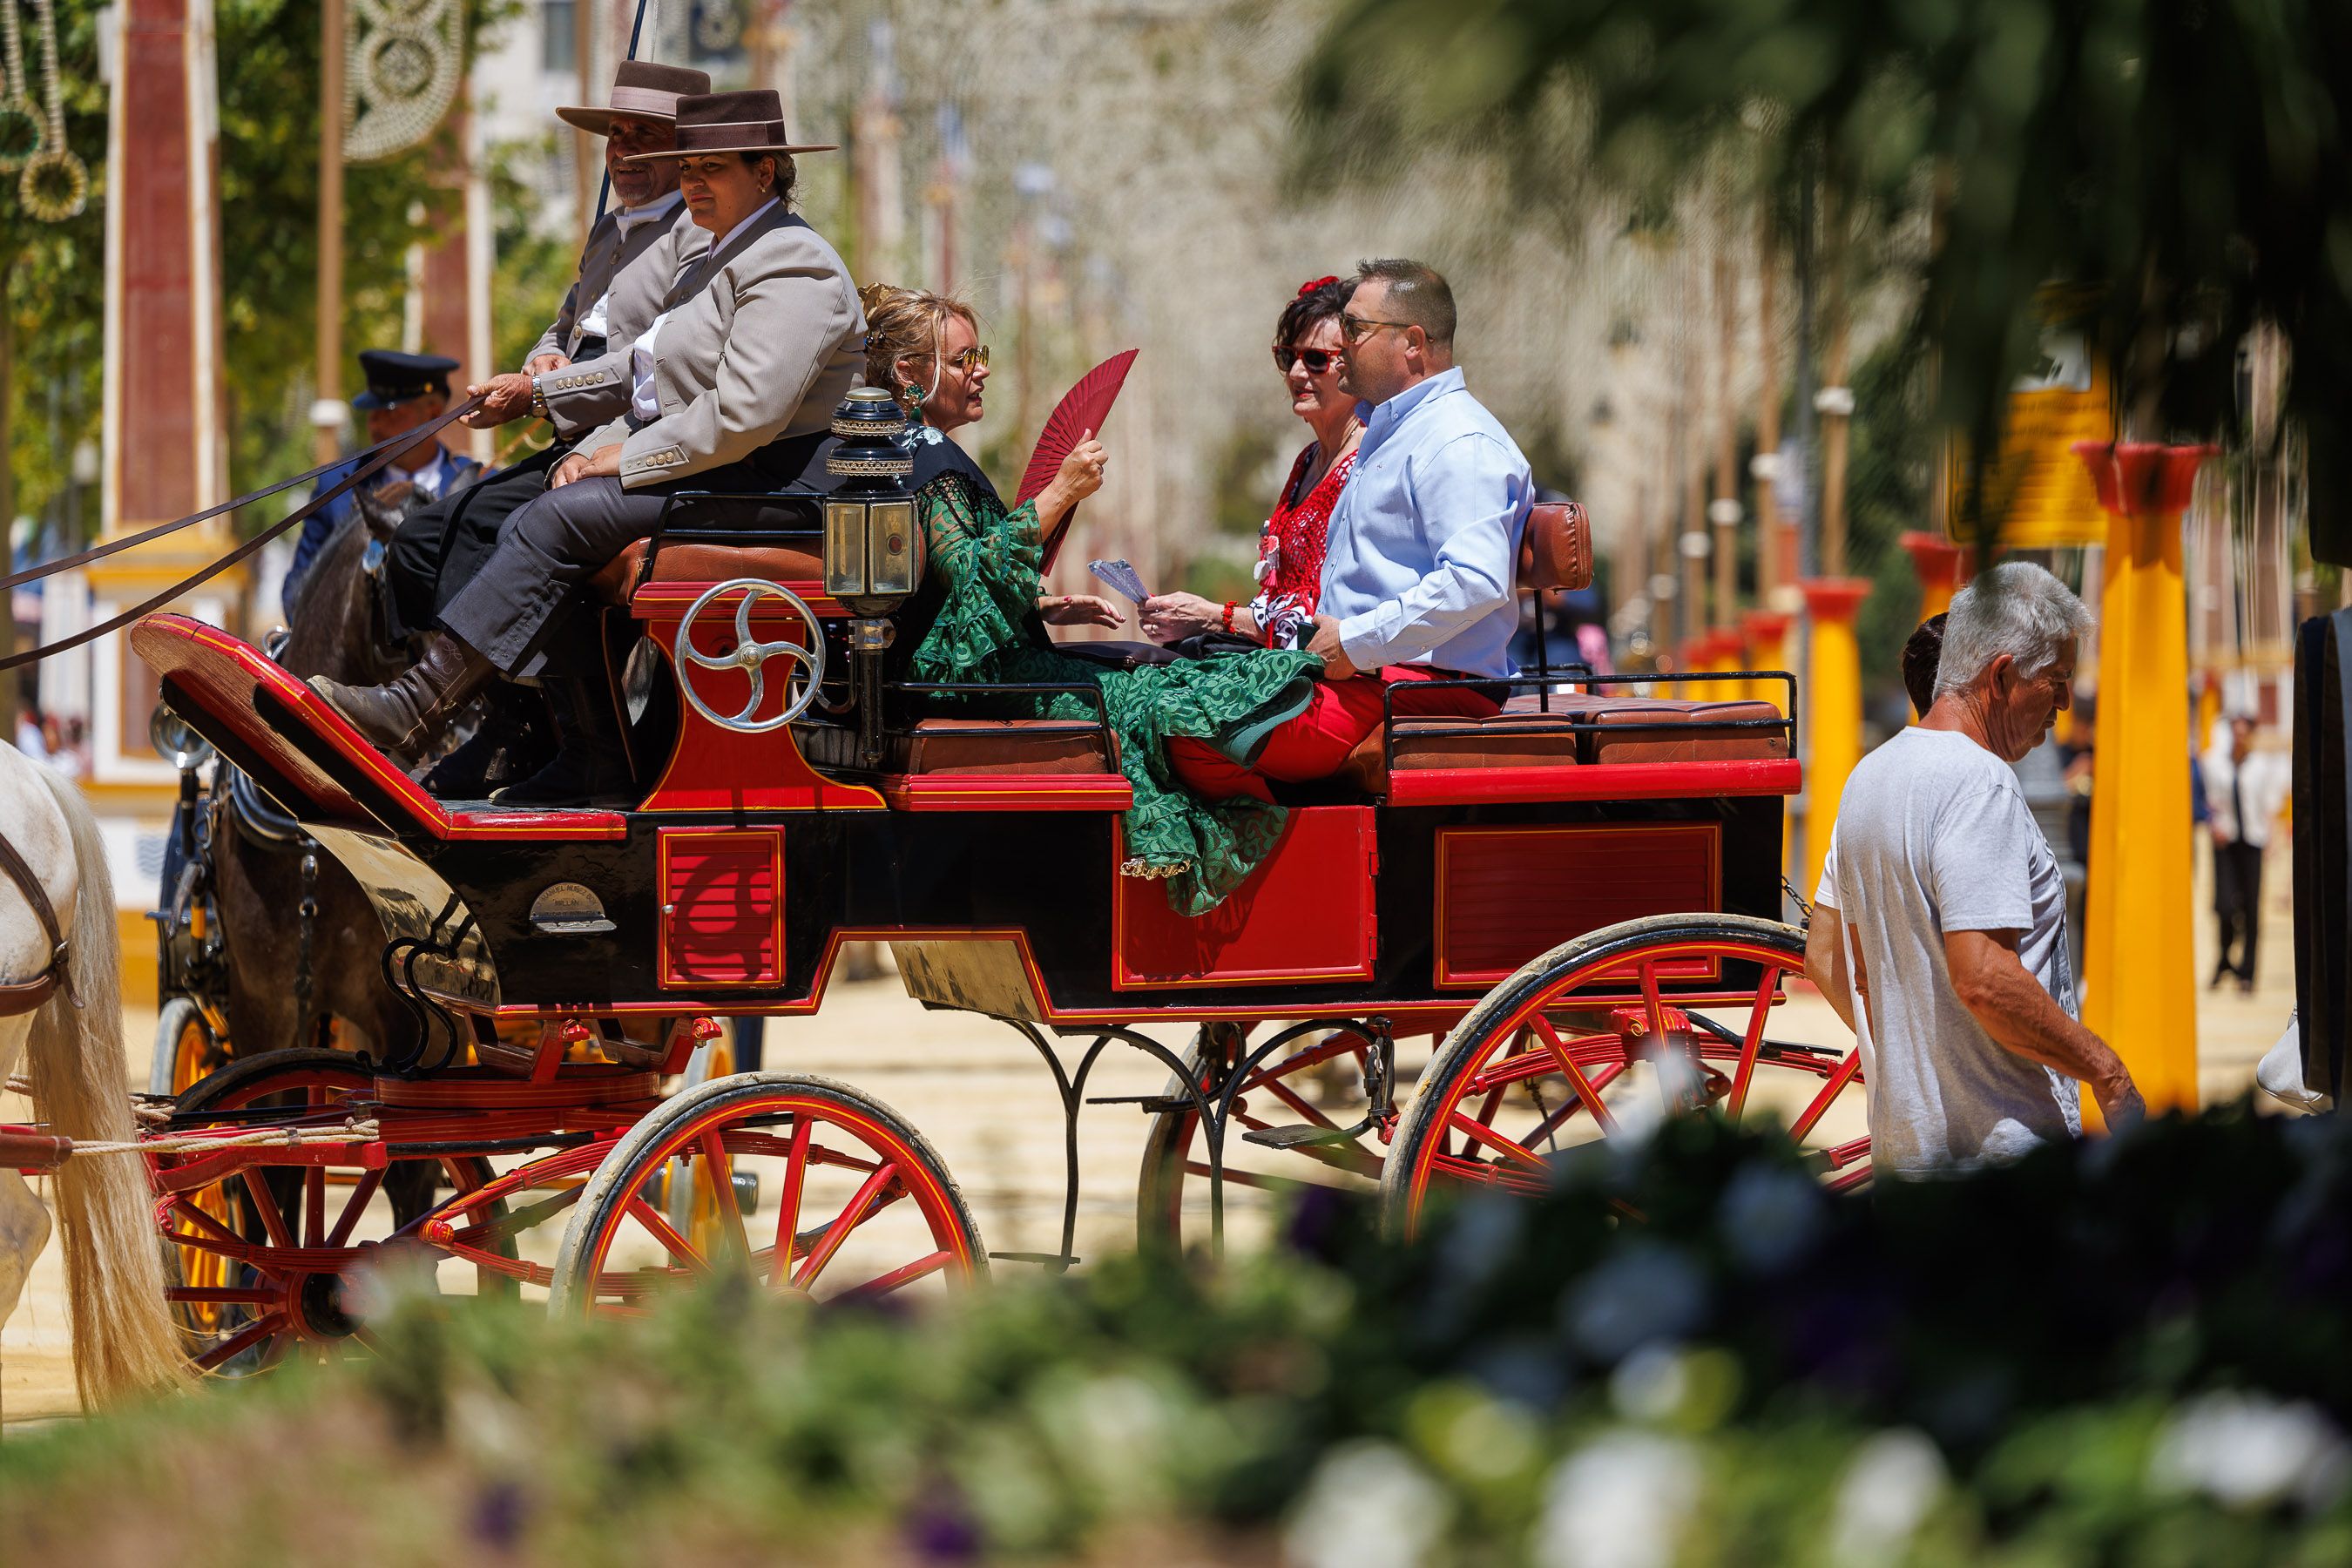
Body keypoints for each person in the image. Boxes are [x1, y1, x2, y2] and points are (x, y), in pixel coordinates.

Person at [312, 90, 861, 807]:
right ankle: (586, 748)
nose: (693, 182)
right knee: (529, 515)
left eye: (714, 168)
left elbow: (745, 413)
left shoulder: (794, 264)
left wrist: (620, 458)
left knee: (558, 515)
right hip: (726, 470)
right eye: (688, 167)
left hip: (773, 485)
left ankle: (416, 711)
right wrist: (533, 394)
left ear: (767, 172)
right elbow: (645, 365)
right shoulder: (728, 254)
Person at [861, 283, 1326, 913]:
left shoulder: (893, 452)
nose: (983, 370)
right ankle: (1237, 867)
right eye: (966, 358)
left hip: (954, 668)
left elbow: (936, 595)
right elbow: (969, 574)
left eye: (983, 353)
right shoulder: (931, 460)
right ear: (912, 373)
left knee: (1154, 667)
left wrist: (1044, 606)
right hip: (976, 682)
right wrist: (1060, 494)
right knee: (1174, 686)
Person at [375, 60, 713, 794]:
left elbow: (655, 369)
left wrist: (541, 393)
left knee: (523, 528)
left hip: (622, 442)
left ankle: (582, 748)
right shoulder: (608, 233)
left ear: (686, 155)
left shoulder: (699, 240)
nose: (621, 151)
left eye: (642, 138)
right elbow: (563, 326)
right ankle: (507, 719)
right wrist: (543, 358)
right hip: (564, 429)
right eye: (615, 135)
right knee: (423, 539)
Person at [1803, 562, 2144, 1176]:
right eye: (2058, 678)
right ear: (2004, 675)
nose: (2066, 702)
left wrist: (1913, 1062)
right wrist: (2106, 1070)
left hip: (1908, 1165)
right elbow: (1984, 979)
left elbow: (1824, 955)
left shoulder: (1869, 777)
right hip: (2003, 1170)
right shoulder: (1979, 782)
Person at [1165, 258, 1531, 801]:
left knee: (1188, 723)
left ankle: (1282, 867)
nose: (1342, 347)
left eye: (1355, 330)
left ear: (1412, 342)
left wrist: (1354, 642)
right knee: (1159, 693)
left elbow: (1474, 582)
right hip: (1364, 675)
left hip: (1423, 689)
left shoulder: (1458, 441)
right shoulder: (1393, 432)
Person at [1139, 275, 1362, 649]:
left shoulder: (1365, 465)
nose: (1295, 374)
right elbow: (1279, 601)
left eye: (1317, 360)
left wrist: (1215, 616)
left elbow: (1321, 618)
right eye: (1288, 357)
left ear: (1357, 365)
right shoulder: (1307, 459)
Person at [280, 349, 484, 616]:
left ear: (433, 411)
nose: (376, 423)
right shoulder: (336, 488)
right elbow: (299, 591)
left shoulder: (478, 487)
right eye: (372, 412)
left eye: (390, 412)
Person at [2203, 713, 2288, 993]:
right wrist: (2213, 824)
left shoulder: (2261, 767)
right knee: (2225, 905)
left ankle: (2248, 972)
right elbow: (2208, 801)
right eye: (2235, 732)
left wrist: (2272, 839)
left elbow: (2270, 805)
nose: (2239, 738)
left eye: (2244, 733)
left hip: (2252, 841)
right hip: (2226, 842)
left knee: (2251, 907)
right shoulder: (2215, 764)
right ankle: (2225, 957)